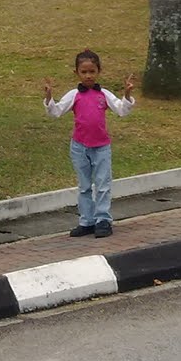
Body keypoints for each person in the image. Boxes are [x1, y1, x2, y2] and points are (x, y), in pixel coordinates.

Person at [43, 49, 136, 238]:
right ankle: (87, 220)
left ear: (99, 71)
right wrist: (49, 98)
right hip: (79, 147)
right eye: (84, 72)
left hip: (101, 147)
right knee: (84, 186)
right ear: (76, 73)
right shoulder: (74, 95)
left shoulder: (104, 94)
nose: (88, 76)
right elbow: (56, 112)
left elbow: (121, 110)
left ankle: (103, 220)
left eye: (92, 71)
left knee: (103, 184)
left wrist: (127, 96)